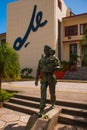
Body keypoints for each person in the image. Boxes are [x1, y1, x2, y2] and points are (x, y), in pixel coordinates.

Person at [35, 45, 59, 116]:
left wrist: (55, 67)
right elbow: (38, 69)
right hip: (44, 77)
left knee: (52, 93)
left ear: (49, 51)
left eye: (46, 50)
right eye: (44, 50)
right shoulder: (41, 60)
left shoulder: (54, 58)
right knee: (43, 94)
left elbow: (59, 66)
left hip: (51, 77)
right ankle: (41, 110)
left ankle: (53, 103)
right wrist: (36, 79)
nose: (45, 51)